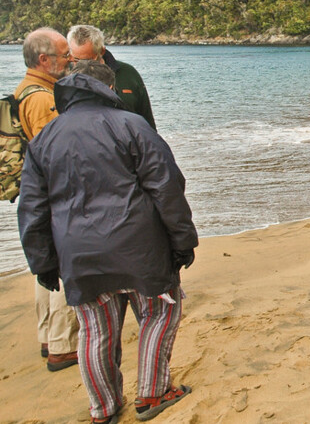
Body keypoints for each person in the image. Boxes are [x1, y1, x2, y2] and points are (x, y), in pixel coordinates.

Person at [18, 61, 198, 423]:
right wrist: (182, 239)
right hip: (139, 246)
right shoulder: (132, 126)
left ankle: (103, 409)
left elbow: (32, 208)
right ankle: (152, 392)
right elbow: (167, 187)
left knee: (94, 330)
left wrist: (44, 263)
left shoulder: (45, 139)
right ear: (109, 89)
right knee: (160, 312)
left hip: (78, 253)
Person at [17, 27, 80, 372]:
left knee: (46, 268)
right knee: (61, 265)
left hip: (41, 195)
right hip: (56, 195)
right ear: (44, 60)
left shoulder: (28, 90)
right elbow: (55, 154)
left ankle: (49, 338)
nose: (69, 60)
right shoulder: (42, 99)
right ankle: (63, 344)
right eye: (63, 55)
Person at [66, 24, 156, 129]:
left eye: (87, 60)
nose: (82, 65)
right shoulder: (65, 79)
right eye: (76, 60)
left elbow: (147, 121)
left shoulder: (128, 73)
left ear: (101, 51)